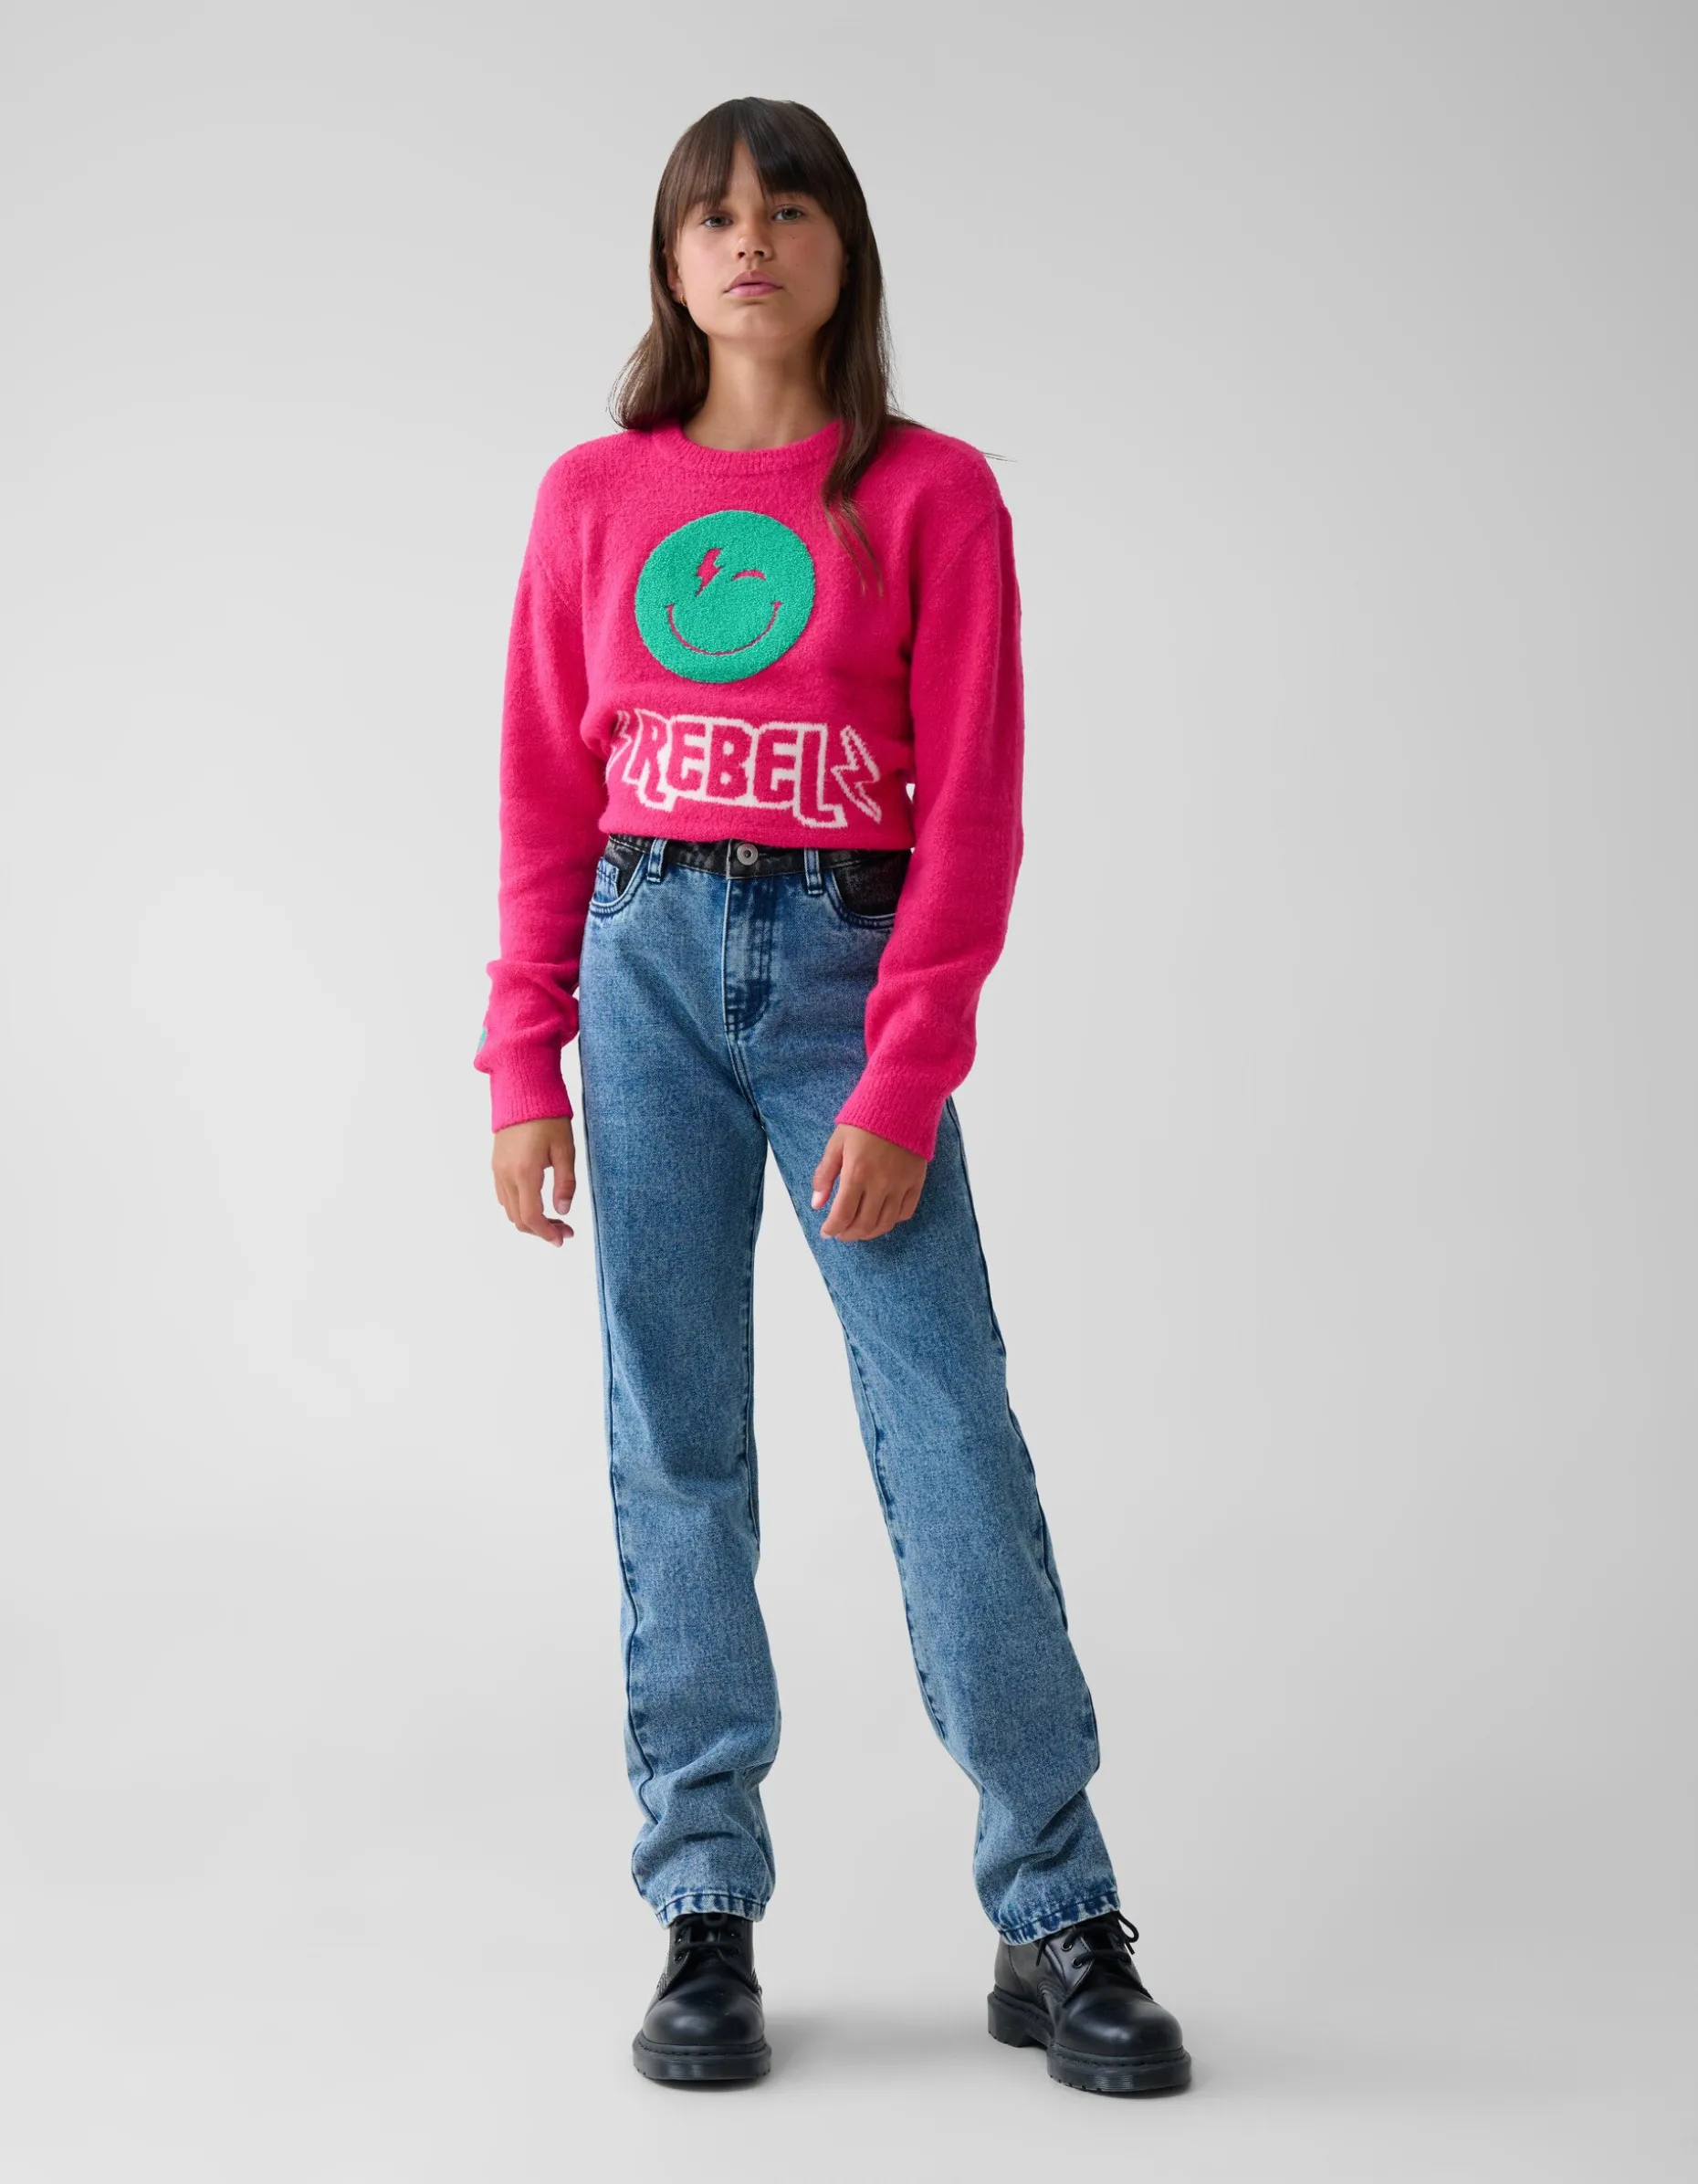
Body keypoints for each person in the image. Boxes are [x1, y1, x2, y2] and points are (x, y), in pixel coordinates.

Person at [474, 96, 1192, 2098]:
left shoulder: (930, 493)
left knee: (946, 1425)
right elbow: (543, 790)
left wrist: (906, 1063)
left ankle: (1056, 1902)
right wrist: (523, 1053)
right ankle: (703, 1901)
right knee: (675, 1437)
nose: (750, 240)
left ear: (843, 249)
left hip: (842, 979)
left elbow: (975, 806)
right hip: (639, 965)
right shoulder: (594, 495)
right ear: (667, 260)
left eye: (788, 209)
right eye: (713, 214)